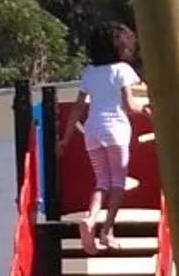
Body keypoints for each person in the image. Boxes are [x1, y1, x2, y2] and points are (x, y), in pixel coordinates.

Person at [59, 27, 148, 253]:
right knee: (117, 183)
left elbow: (79, 107)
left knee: (101, 182)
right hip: (116, 131)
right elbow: (130, 106)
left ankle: (91, 219)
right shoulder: (122, 70)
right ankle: (107, 231)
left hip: (92, 131)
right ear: (123, 46)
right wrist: (148, 110)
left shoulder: (90, 73)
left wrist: (65, 140)